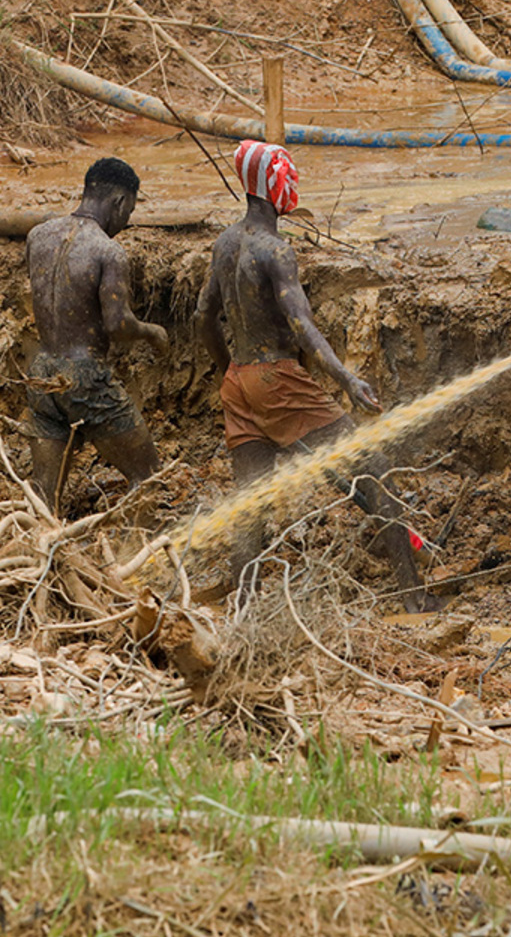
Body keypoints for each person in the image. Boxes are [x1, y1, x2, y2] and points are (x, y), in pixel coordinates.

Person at [195, 140, 430, 609]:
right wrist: (346, 379)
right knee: (374, 472)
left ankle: (243, 611)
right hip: (279, 379)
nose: (294, 184)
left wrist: (231, 373)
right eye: (289, 176)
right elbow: (302, 325)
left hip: (239, 383)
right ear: (273, 184)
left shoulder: (225, 242)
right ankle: (414, 600)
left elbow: (203, 316)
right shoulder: (276, 250)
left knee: (250, 505)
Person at [23, 157, 168, 513]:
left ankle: (39, 562)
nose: (127, 221)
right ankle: (139, 559)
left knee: (45, 498)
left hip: (41, 374)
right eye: (129, 211)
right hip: (85, 379)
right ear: (119, 202)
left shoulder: (38, 236)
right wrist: (153, 333)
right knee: (148, 476)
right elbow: (117, 325)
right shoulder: (108, 251)